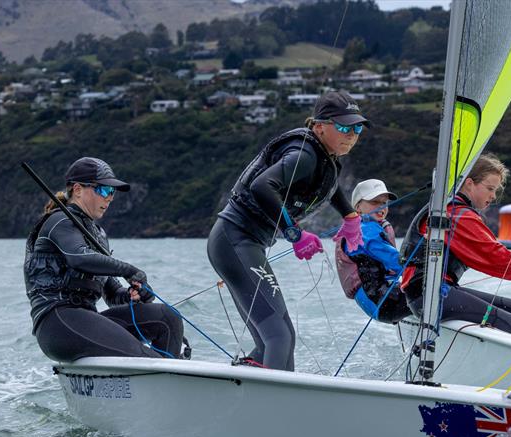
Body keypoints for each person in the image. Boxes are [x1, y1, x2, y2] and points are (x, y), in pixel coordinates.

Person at [207, 90, 368, 371]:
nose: (352, 135)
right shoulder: (304, 154)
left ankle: (245, 392)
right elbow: (262, 186)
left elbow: (328, 188)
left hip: (241, 243)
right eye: (343, 127)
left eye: (357, 128)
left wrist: (351, 216)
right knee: (279, 337)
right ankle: (274, 409)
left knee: (272, 340)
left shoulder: (324, 156)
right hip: (234, 240)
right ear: (319, 126)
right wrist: (293, 233)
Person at [24, 157, 186, 361]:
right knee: (149, 358)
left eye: (112, 192)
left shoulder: (97, 233)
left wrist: (131, 295)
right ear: (78, 189)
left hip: (86, 320)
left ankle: (167, 381)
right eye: (103, 190)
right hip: (58, 323)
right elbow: (79, 258)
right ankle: (161, 376)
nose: (109, 198)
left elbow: (111, 292)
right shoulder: (59, 222)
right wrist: (128, 269)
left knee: (168, 317)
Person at [400, 154, 511, 341]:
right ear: (469, 183)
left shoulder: (454, 210)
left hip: (437, 290)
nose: (493, 196)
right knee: (506, 320)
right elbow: (493, 255)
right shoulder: (455, 213)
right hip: (426, 295)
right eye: (490, 188)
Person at [335, 179, 411, 323]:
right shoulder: (364, 231)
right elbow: (395, 260)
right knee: (437, 292)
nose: (381, 207)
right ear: (358, 207)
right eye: (374, 202)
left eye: (384, 203)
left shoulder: (370, 227)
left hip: (382, 300)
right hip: (384, 303)